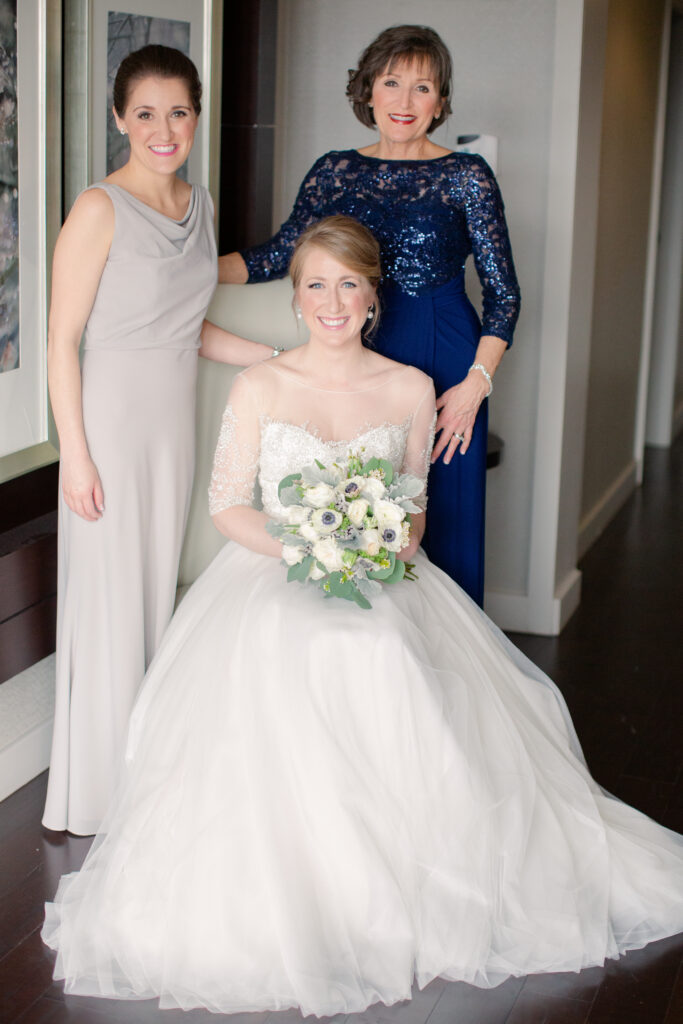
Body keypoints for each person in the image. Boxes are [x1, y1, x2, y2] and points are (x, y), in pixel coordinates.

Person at [43, 217, 683, 1018]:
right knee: (299, 641)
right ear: (296, 298)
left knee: (376, 641)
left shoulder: (410, 387)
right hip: (274, 568)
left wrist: (377, 541)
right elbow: (228, 506)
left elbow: (411, 511)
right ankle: (305, 892)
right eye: (315, 284)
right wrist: (305, 545)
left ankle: (398, 891)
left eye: (349, 283)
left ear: (373, 296)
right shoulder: (261, 385)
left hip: (380, 572)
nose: (332, 301)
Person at [43, 44, 275, 837]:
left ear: (196, 116)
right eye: (145, 113)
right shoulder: (98, 208)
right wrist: (74, 453)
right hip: (107, 427)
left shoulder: (200, 206)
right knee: (108, 602)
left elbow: (190, 328)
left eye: (178, 111)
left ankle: (136, 780)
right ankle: (94, 798)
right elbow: (60, 340)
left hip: (172, 430)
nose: (163, 129)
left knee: (148, 599)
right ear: (119, 119)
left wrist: (280, 361)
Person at [218, 24, 521, 606]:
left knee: (439, 519)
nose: (405, 102)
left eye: (423, 88)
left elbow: (504, 296)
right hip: (352, 347)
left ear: (440, 100)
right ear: (368, 91)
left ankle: (441, 676)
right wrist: (188, 270)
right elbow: (280, 254)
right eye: (391, 83)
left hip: (447, 355)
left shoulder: (467, 176)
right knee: (349, 508)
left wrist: (475, 386)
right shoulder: (335, 171)